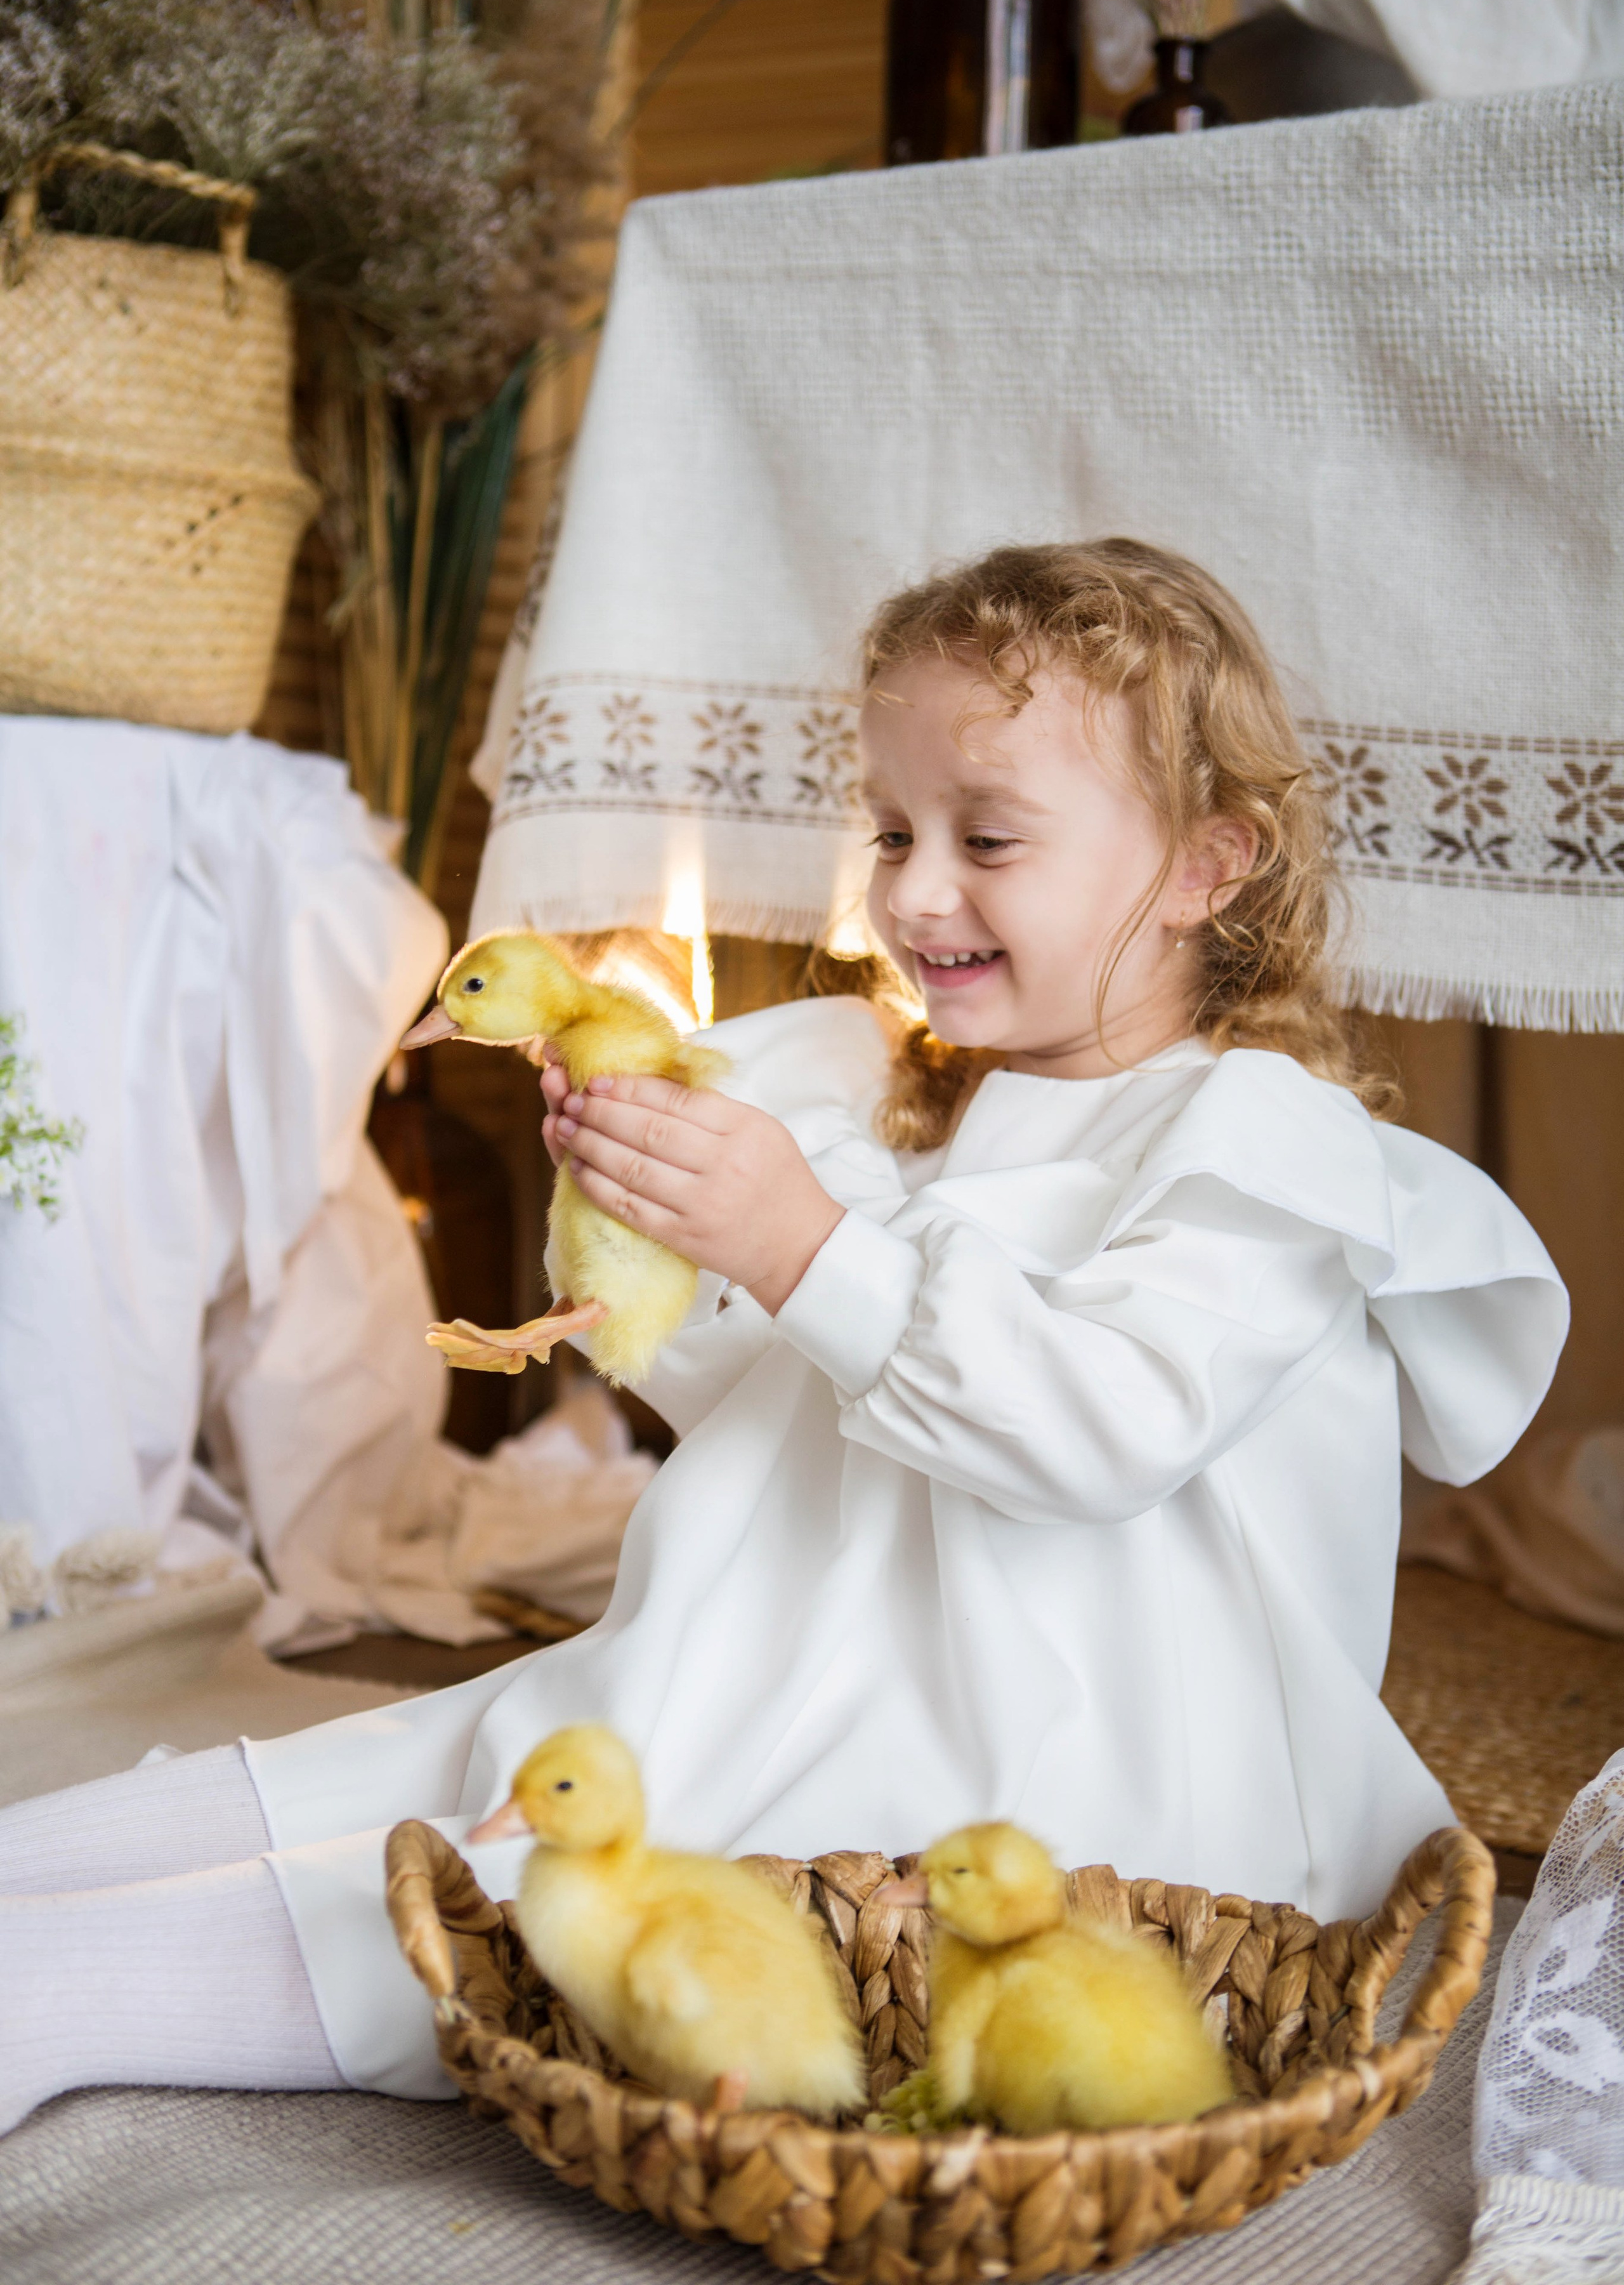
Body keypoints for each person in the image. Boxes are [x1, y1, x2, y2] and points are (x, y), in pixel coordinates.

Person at [0, 539, 1566, 2129]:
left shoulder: (1262, 1153)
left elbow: (1099, 1431)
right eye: (891, 831)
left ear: (1202, 867)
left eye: (987, 838)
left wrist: (797, 1242)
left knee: (599, 1884)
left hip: (1063, 1758)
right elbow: (783, 1421)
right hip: (811, 1640)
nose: (915, 892)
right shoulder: (900, 1098)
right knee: (440, 1760)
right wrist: (654, 1233)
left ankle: (58, 1994)